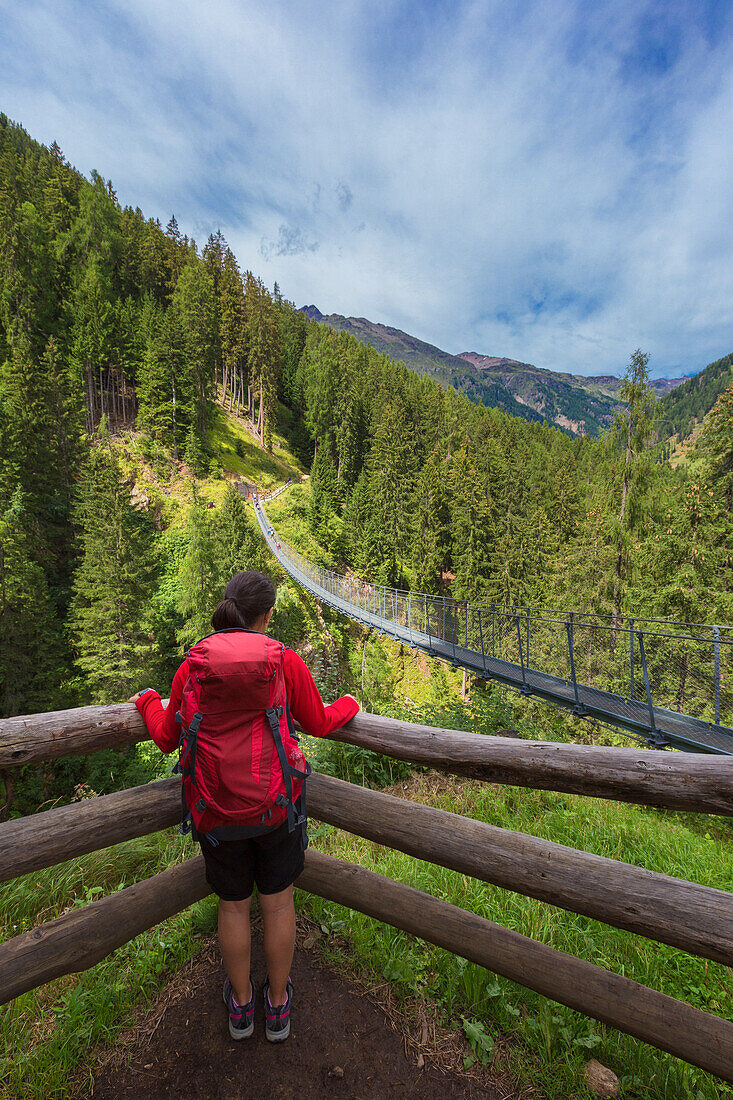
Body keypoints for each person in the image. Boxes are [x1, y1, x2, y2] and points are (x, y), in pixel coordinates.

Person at [130, 571, 359, 1042]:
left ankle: (240, 1009)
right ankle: (277, 1008)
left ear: (226, 607)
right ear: (267, 614)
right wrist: (350, 705)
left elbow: (167, 736)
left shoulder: (194, 665)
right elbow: (317, 722)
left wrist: (150, 701)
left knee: (233, 908)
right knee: (277, 905)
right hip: (276, 807)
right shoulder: (283, 661)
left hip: (214, 811)